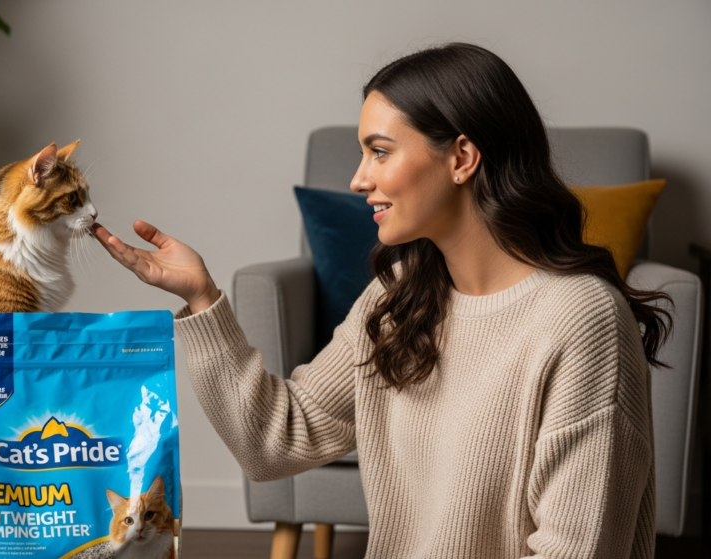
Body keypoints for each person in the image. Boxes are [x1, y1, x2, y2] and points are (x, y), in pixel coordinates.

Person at [93, 43, 671, 558]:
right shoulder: (400, 297)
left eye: (380, 151)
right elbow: (276, 440)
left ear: (462, 158)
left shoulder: (580, 319)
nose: (357, 179)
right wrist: (201, 298)